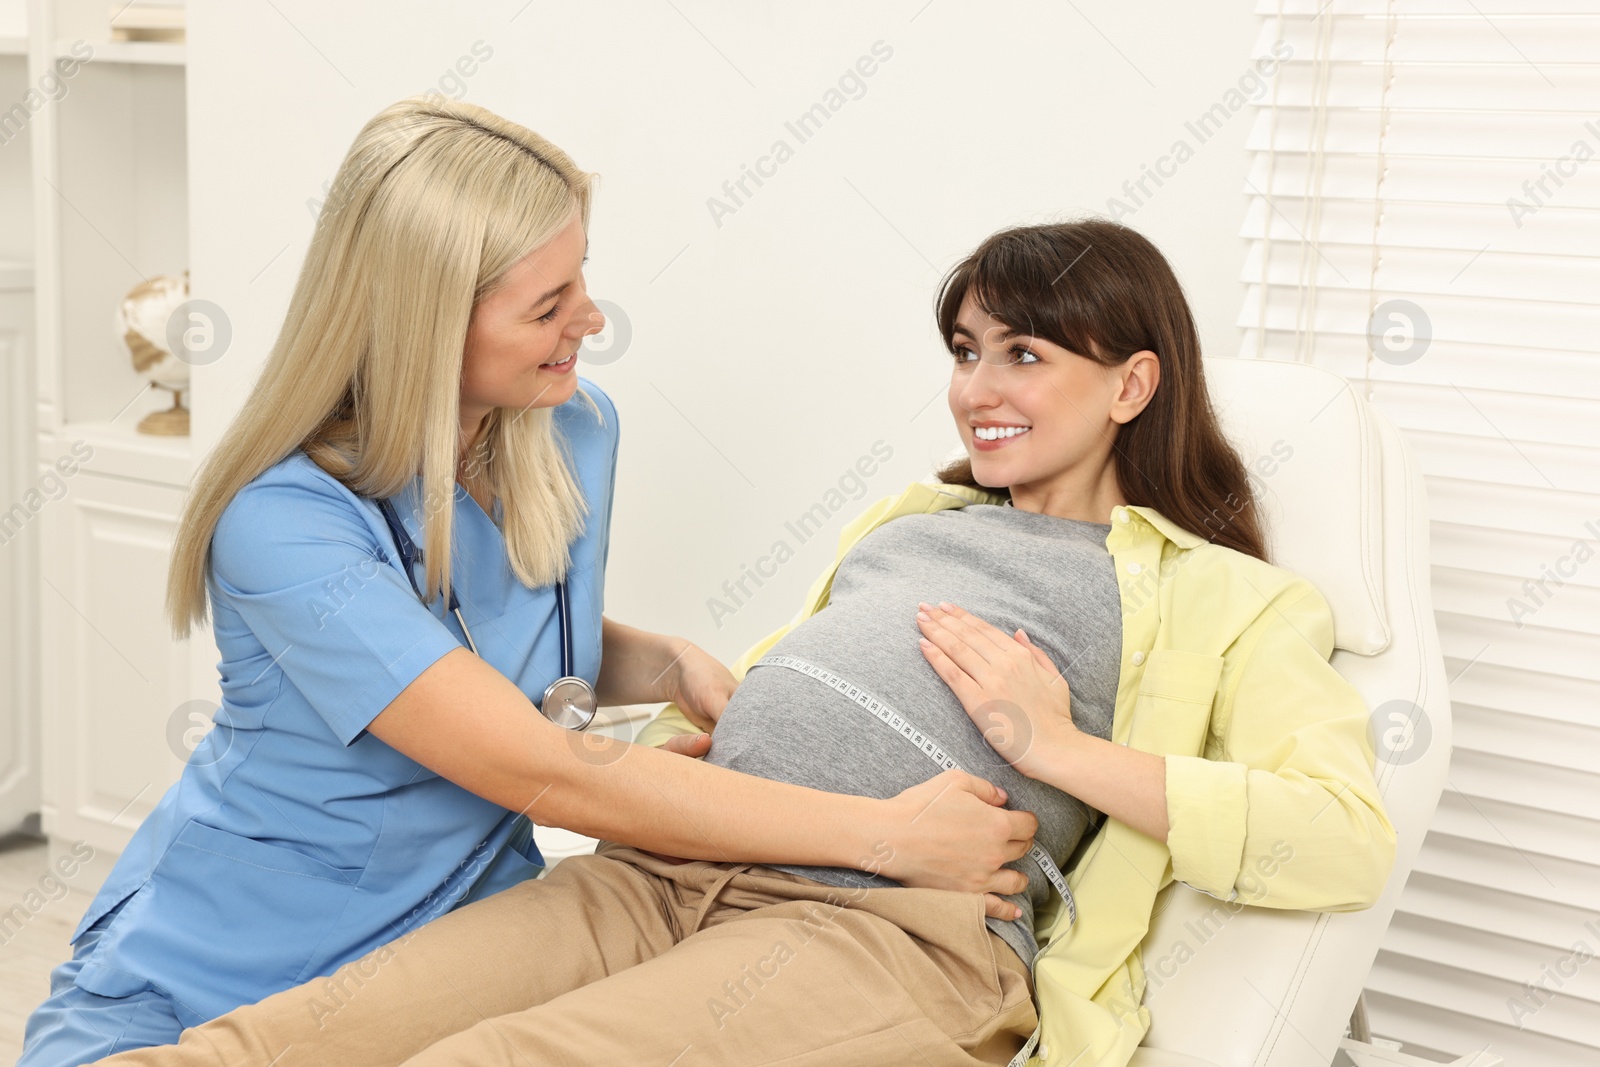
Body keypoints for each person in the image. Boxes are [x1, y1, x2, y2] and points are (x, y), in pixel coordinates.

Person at [85, 219, 1397, 1067]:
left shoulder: (1227, 597)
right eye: (964, 350)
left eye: (1024, 353)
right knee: (269, 1043)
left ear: (1132, 382)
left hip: (882, 932)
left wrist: (1052, 745)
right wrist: (702, 716)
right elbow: (782, 693)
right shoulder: (913, 515)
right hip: (664, 867)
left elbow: (1341, 833)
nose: (977, 389)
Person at [16, 97, 1034, 1067]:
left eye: (582, 277)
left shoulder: (574, 431)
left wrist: (665, 659)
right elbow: (541, 767)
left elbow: (486, 636)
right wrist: (889, 834)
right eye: (547, 304)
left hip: (462, 943)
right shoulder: (283, 525)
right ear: (422, 321)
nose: (590, 318)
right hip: (230, 975)